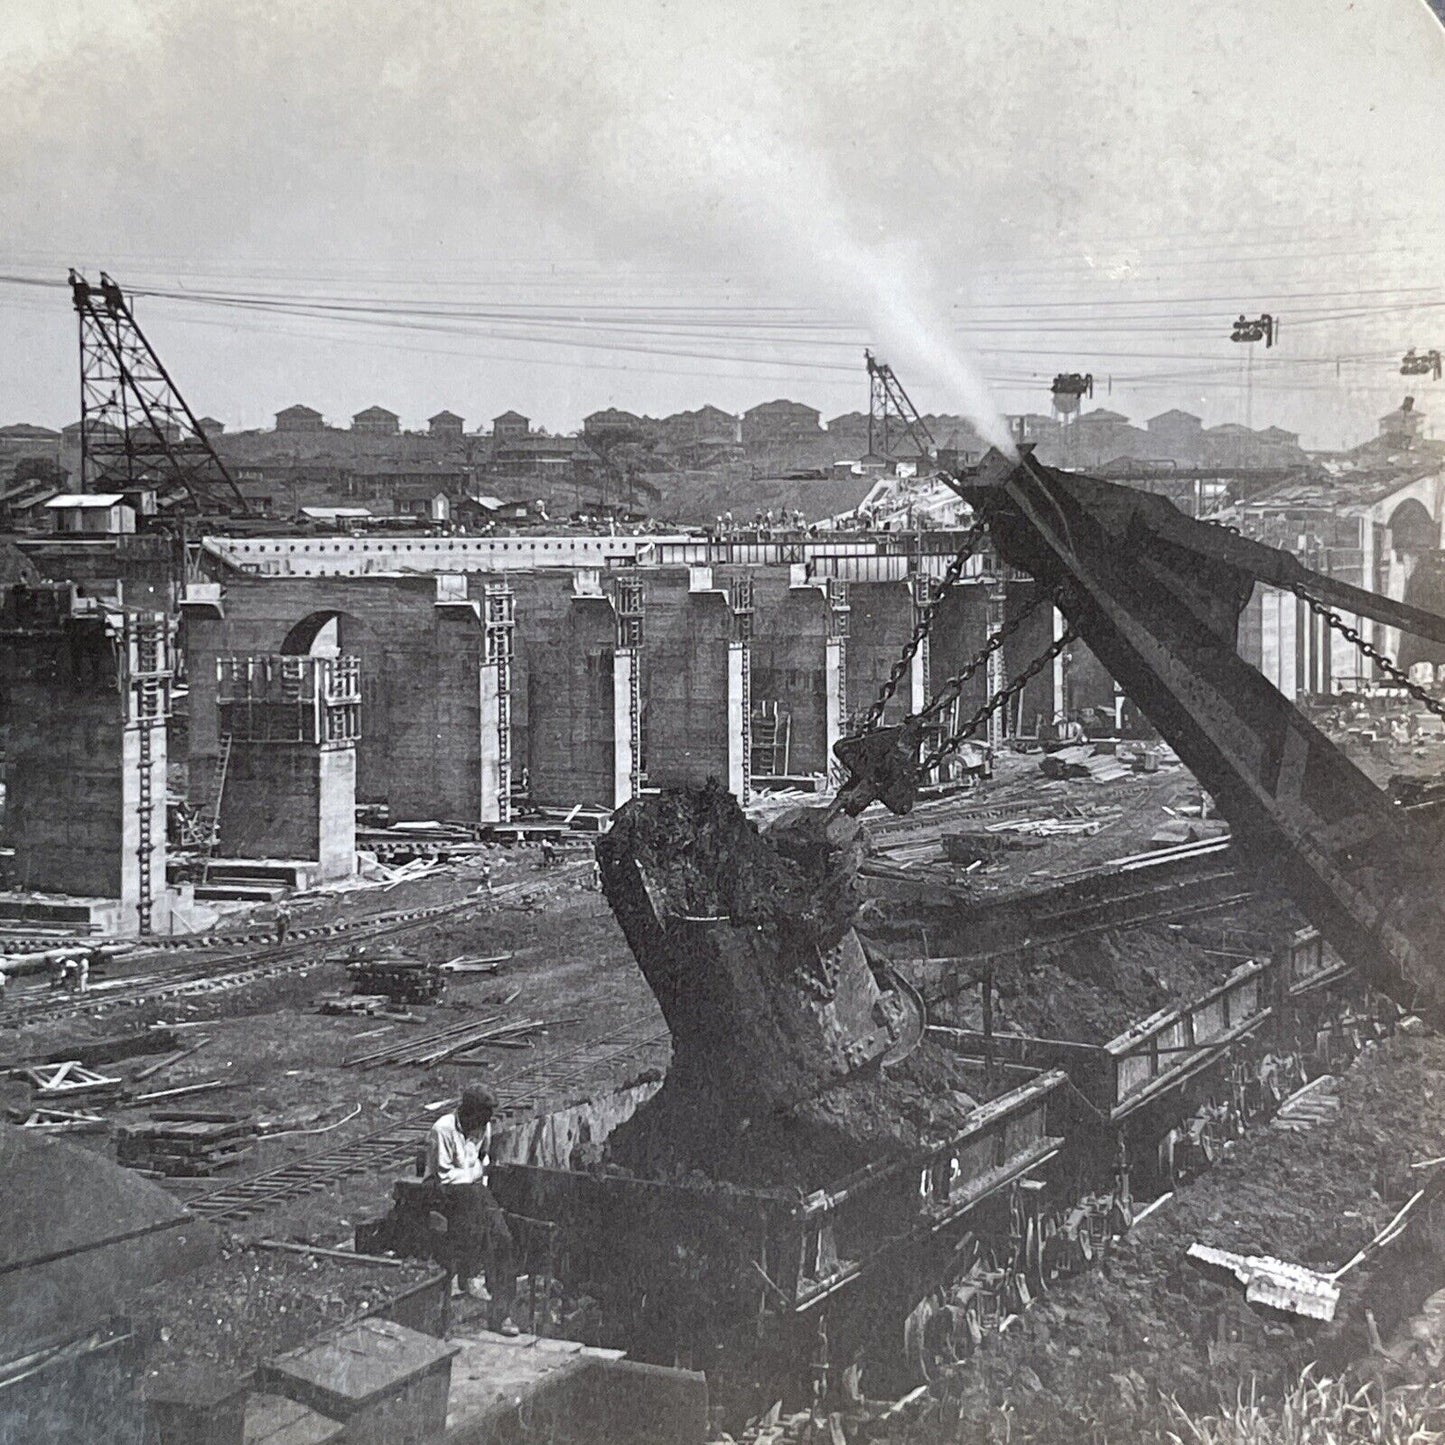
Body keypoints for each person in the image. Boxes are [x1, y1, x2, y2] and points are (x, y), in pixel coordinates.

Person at [424, 1086, 519, 1335]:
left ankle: (501, 1314)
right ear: (467, 1112)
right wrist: (478, 1175)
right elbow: (444, 1175)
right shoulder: (442, 1130)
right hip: (442, 1193)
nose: (484, 1125)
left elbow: (483, 1159)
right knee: (475, 1230)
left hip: (474, 1193)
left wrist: (483, 1178)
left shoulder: (482, 1128)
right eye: (480, 1118)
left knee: (503, 1239)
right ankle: (466, 1279)